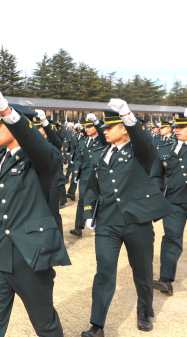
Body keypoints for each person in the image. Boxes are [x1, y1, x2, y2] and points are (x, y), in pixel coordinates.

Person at [0, 89, 71, 337]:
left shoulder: (43, 158)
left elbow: (39, 147)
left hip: (30, 255)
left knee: (45, 325)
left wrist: (6, 111)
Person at [80, 103, 174, 336]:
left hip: (136, 222)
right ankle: (97, 324)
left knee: (141, 271)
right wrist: (88, 213)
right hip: (108, 223)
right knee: (104, 272)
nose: (105, 131)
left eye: (111, 127)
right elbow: (92, 187)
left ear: (124, 129)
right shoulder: (101, 154)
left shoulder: (138, 152)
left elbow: (145, 145)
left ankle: (144, 310)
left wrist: (127, 115)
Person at [151, 111, 187, 297]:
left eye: (182, 127)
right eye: (176, 127)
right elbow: (156, 174)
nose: (177, 130)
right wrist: (158, 191)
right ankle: (166, 280)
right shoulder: (165, 149)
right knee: (172, 236)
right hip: (175, 202)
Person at [69, 115, 107, 237]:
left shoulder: (102, 140)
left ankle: (99, 224)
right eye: (86, 126)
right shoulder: (83, 141)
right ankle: (78, 226)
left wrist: (97, 122)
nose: (87, 128)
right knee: (82, 199)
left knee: (99, 200)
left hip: (98, 175)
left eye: (90, 126)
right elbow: (78, 159)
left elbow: (102, 133)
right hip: (85, 175)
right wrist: (76, 173)